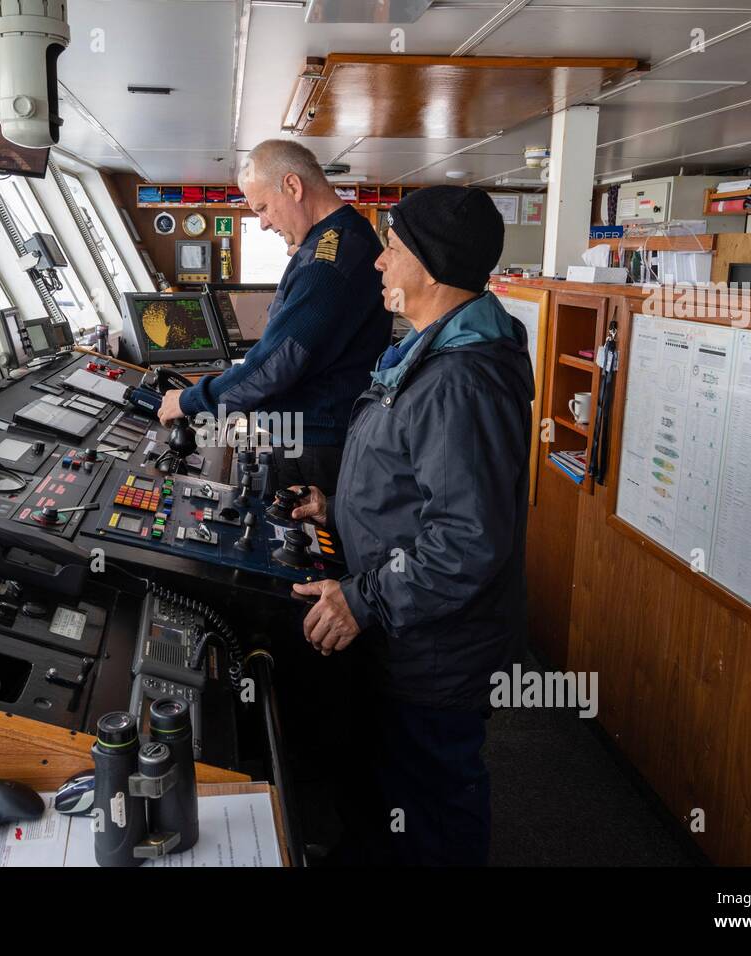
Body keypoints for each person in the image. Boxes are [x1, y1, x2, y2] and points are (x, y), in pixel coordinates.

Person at [289, 185, 533, 866]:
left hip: (436, 648)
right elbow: (417, 487)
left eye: (391, 249)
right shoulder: (436, 351)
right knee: (393, 783)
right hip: (414, 631)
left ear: (426, 265)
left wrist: (363, 598)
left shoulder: (462, 382)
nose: (378, 264)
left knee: (434, 799)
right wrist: (335, 505)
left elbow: (465, 541)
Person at [158, 139, 390, 495]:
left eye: (264, 207)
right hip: (320, 431)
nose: (263, 223)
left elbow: (276, 364)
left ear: (293, 186)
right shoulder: (343, 238)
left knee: (292, 544)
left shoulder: (326, 262)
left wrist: (190, 400)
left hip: (315, 443)